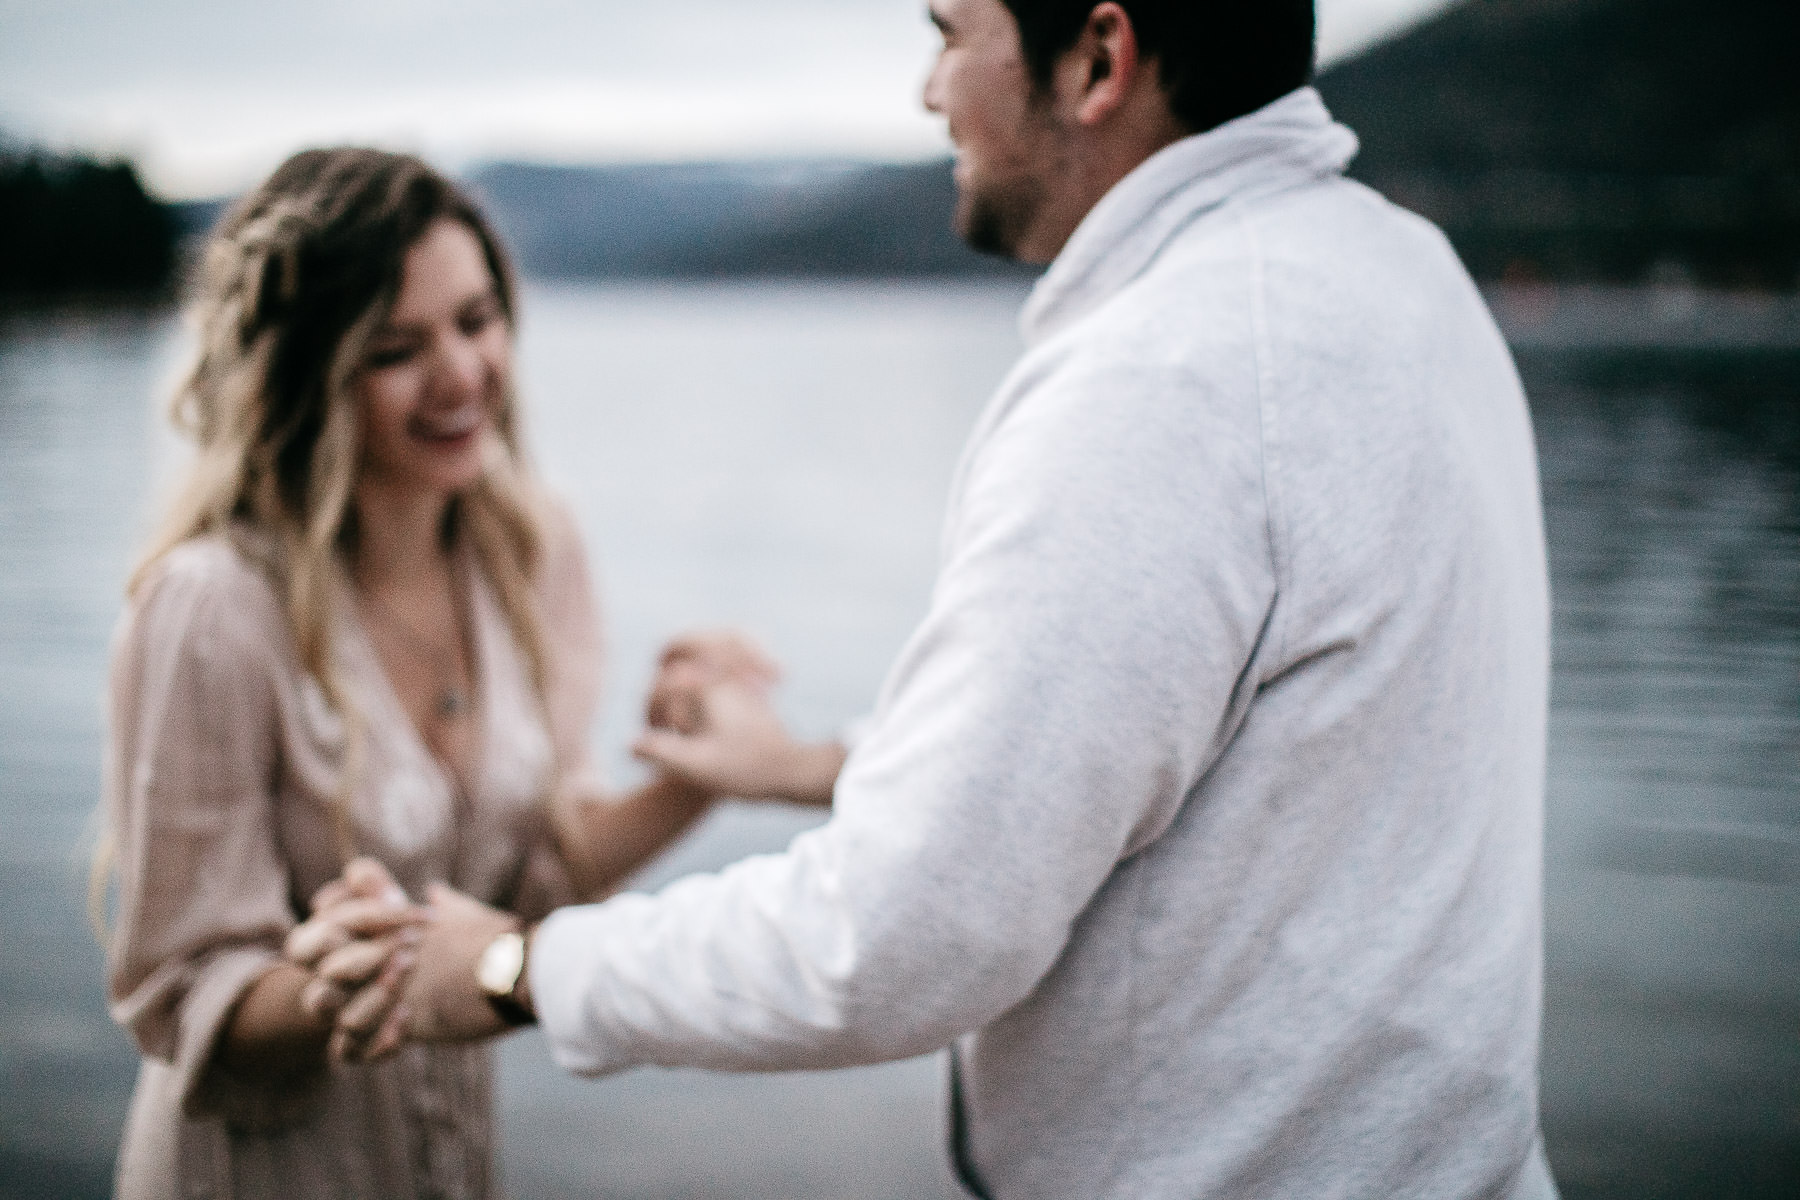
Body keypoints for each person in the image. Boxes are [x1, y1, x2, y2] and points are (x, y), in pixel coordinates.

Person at [325, 1, 1561, 1196]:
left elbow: (903, 938)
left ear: (1098, 57)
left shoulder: (1165, 380)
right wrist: (809, 764)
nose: (928, 91)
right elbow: (1201, 742)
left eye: (947, 34)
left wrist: (513, 964)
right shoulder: (1404, 275)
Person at [95, 147, 727, 1200]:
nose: (462, 376)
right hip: (262, 1169)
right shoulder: (212, 608)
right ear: (306, 375)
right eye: (397, 348)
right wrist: (354, 973)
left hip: (445, 1158)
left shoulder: (531, 549)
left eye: (477, 323)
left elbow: (528, 883)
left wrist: (698, 776)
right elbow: (186, 1001)